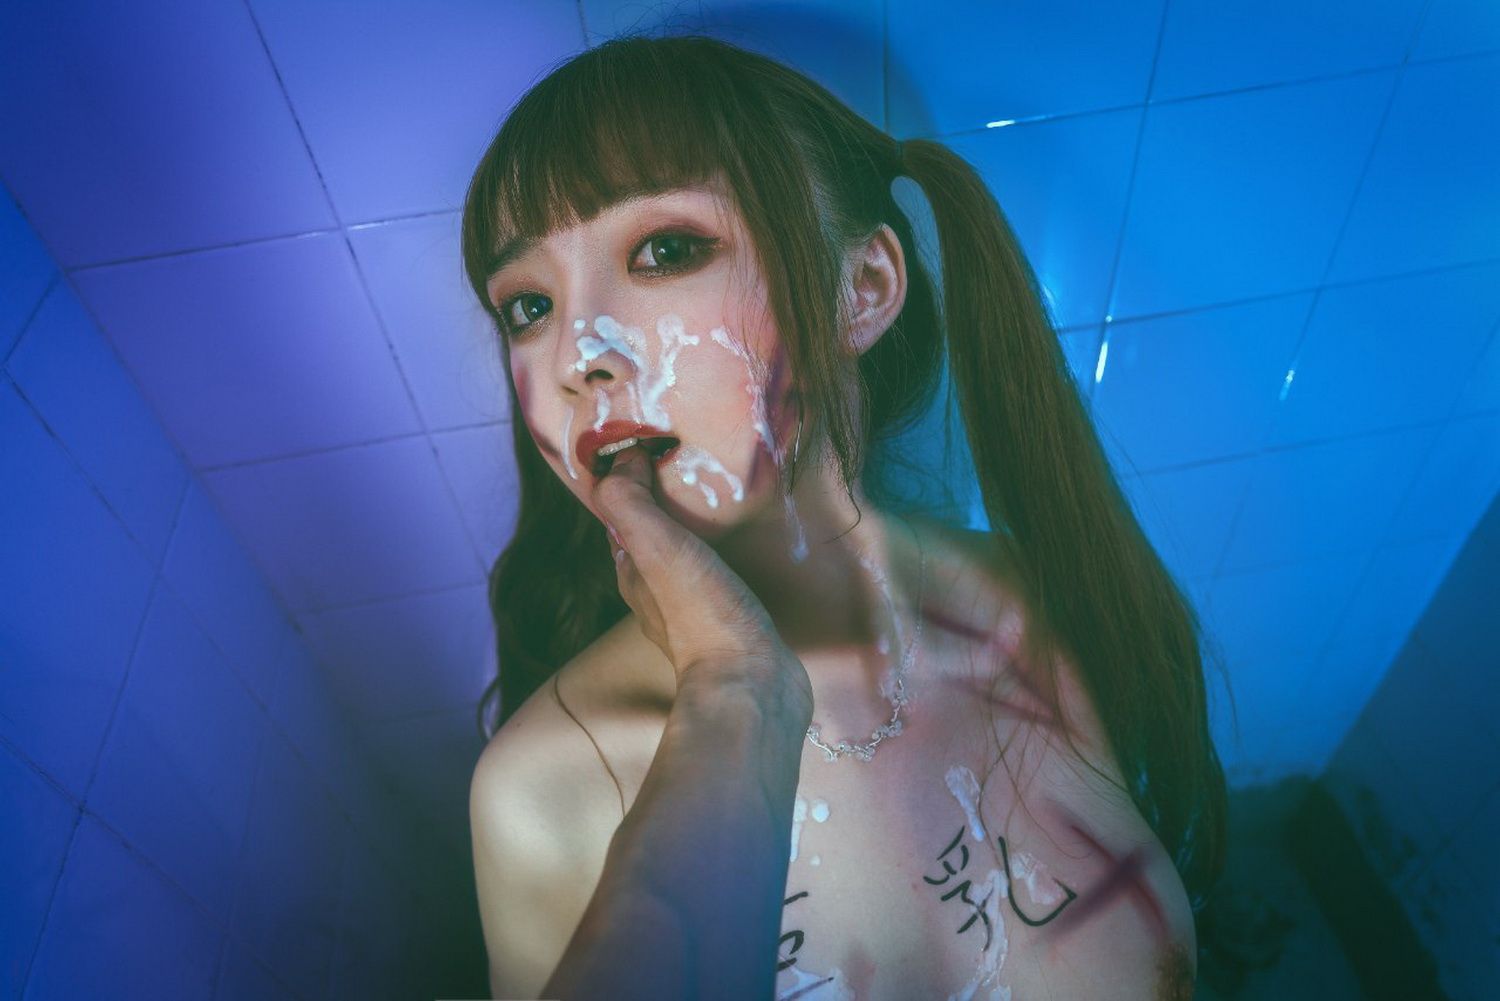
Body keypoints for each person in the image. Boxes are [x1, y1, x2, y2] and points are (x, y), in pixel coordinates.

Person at [463, 33, 1226, 1001]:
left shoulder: (1033, 601)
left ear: (863, 291)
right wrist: (738, 684)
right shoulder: (542, 796)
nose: (577, 355)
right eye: (527, 306)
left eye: (666, 249)